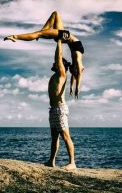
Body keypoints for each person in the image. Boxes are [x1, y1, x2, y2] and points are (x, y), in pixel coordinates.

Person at [4, 11, 84, 99]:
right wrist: (75, 88)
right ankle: (40, 32)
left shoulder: (77, 62)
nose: (81, 70)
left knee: (39, 33)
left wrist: (73, 87)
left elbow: (76, 75)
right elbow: (78, 74)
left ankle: (14, 37)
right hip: (65, 35)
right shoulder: (78, 63)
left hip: (64, 36)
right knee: (55, 14)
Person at [45, 39, 76, 170]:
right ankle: (51, 161)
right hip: (53, 109)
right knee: (54, 137)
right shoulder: (54, 76)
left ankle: (72, 163)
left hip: (60, 109)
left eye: (57, 63)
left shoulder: (62, 74)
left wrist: (59, 41)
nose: (54, 63)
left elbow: (58, 57)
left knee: (65, 135)